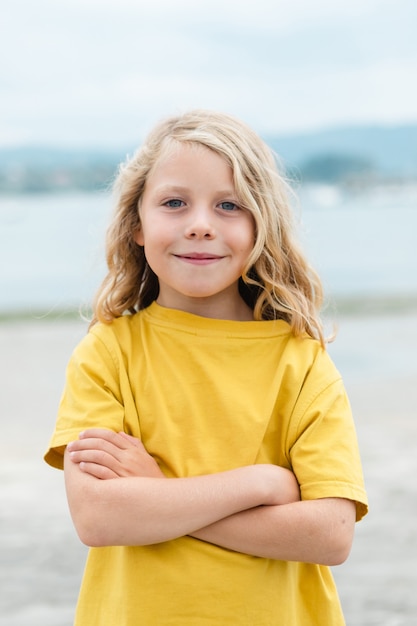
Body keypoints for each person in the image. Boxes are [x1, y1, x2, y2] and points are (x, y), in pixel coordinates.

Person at [44, 109, 368, 625]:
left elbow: (330, 534)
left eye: (229, 205)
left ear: (262, 224)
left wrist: (155, 498)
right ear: (137, 226)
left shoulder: (301, 360)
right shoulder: (108, 352)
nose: (199, 225)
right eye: (174, 203)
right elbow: (99, 517)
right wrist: (261, 483)